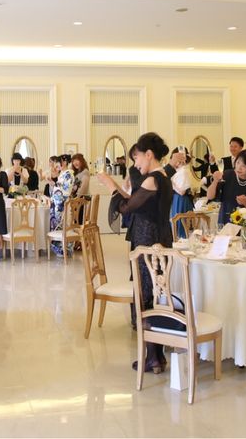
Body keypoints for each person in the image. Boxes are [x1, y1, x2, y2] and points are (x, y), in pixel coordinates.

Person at [98, 132, 173, 375]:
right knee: (153, 295)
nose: (136, 163)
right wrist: (117, 187)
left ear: (149, 155)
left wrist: (110, 186)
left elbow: (127, 207)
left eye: (138, 157)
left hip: (147, 241)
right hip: (158, 238)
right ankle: (156, 356)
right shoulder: (162, 177)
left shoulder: (152, 179)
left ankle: (153, 358)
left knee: (146, 296)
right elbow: (135, 201)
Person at [207, 149, 246, 225]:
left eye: (244, 166)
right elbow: (209, 196)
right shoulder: (227, 175)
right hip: (226, 222)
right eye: (238, 163)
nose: (239, 168)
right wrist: (215, 181)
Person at [49, 154, 75, 258]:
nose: (57, 165)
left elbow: (66, 191)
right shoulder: (63, 174)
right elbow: (59, 187)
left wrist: (55, 186)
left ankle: (65, 250)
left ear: (64, 162)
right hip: (58, 203)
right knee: (57, 225)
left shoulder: (69, 174)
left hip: (62, 203)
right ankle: (60, 250)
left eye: (58, 162)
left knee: (63, 225)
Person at [169, 147, 194, 238]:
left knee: (180, 226)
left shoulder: (184, 171)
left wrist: (171, 183)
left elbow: (182, 191)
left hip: (181, 200)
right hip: (177, 199)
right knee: (176, 225)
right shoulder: (179, 170)